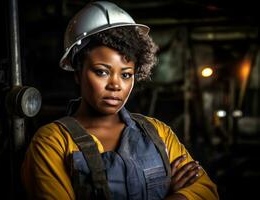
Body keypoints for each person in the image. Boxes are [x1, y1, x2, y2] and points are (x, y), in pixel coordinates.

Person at [21, 1, 219, 200]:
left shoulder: (158, 133)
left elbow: (206, 191)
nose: (115, 85)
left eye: (126, 75)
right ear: (78, 72)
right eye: (102, 72)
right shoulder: (52, 143)